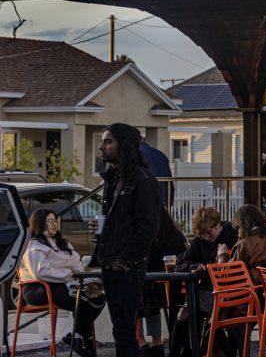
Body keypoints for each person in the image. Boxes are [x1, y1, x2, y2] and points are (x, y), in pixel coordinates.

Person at [93, 123, 162, 357]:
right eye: (103, 141)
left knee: (124, 330)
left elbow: (149, 227)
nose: (102, 146)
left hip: (127, 267)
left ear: (123, 145)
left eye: (108, 141)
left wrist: (124, 260)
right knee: (120, 330)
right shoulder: (112, 180)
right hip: (109, 261)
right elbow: (115, 220)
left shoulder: (142, 180)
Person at [19, 209, 105, 357]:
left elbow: (77, 262)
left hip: (65, 284)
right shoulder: (34, 246)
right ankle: (83, 340)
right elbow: (40, 272)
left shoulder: (63, 243)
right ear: (40, 224)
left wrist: (76, 274)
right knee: (82, 300)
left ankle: (75, 336)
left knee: (99, 297)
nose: (54, 224)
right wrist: (67, 274)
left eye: (55, 220)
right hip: (38, 288)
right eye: (49, 221)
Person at [168, 208, 238, 357]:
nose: (206, 236)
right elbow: (180, 263)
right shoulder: (200, 241)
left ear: (218, 225)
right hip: (208, 291)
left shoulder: (232, 237)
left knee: (190, 309)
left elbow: (230, 270)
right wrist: (194, 266)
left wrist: (213, 265)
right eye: (202, 234)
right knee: (188, 310)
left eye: (209, 231)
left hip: (230, 292)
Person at [137, 134, 172, 357]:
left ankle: (138, 338)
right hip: (159, 224)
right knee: (153, 291)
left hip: (139, 238)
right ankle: (156, 339)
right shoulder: (159, 156)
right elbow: (170, 190)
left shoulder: (131, 159)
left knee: (137, 292)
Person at [228, 205, 266, 283]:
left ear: (241, 225)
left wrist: (222, 256)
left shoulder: (243, 245)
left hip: (248, 292)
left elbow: (227, 278)